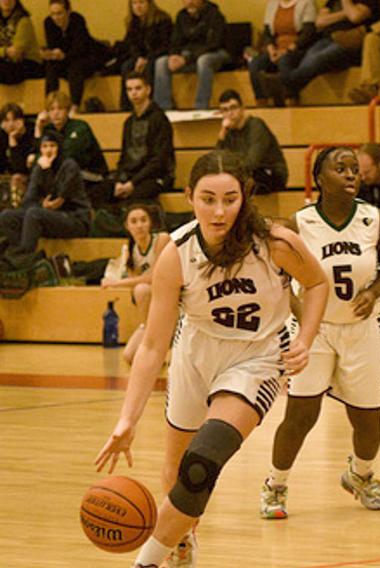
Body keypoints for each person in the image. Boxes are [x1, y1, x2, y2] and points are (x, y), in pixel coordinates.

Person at [95, 150, 329, 568]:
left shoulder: (275, 243)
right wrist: (127, 419)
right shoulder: (177, 253)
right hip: (195, 354)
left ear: (245, 198)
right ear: (189, 197)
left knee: (203, 461)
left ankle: (145, 561)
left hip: (256, 356)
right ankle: (181, 543)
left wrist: (306, 338)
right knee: (177, 469)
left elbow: (316, 283)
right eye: (208, 198)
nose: (219, 211)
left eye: (230, 199)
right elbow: (151, 345)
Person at [260, 146, 380, 518]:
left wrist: (373, 292)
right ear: (320, 178)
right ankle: (275, 486)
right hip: (316, 332)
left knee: (369, 417)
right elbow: (278, 276)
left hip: (363, 329)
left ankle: (361, 475)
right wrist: (299, 311)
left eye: (355, 169)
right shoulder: (300, 223)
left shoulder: (375, 219)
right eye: (341, 169)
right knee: (301, 415)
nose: (351, 174)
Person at [271, 0, 380, 104]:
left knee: (318, 59)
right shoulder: (332, 2)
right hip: (325, 40)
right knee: (287, 59)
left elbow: (355, 17)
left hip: (348, 43)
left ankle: (281, 83)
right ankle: (288, 86)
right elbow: (319, 22)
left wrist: (344, 6)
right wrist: (345, 13)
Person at [101, 202, 170, 364]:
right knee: (129, 357)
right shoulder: (130, 250)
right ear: (127, 226)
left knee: (142, 289)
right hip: (152, 314)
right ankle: (150, 332)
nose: (139, 225)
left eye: (143, 220)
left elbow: (154, 278)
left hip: (173, 306)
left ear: (150, 222)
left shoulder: (162, 239)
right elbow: (135, 282)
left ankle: (162, 339)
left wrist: (115, 283)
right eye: (134, 221)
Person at [0, 130, 90, 255]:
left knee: (34, 214)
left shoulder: (70, 166)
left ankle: (25, 257)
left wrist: (47, 171)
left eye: (52, 146)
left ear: (59, 148)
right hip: (48, 217)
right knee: (7, 216)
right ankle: (18, 256)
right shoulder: (39, 167)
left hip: (75, 219)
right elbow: (28, 201)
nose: (48, 151)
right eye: (44, 146)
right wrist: (42, 205)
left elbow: (57, 199)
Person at [94, 71, 174, 208]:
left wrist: (132, 183)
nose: (133, 93)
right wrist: (119, 181)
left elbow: (159, 160)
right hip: (130, 176)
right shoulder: (129, 122)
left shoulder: (160, 119)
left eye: (138, 88)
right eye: (129, 89)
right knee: (98, 192)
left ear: (148, 90)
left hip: (155, 177)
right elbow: (124, 157)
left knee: (132, 201)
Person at [154, 0, 230, 110]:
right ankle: (163, 108)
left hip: (216, 53)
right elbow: (175, 41)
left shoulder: (215, 15)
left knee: (204, 60)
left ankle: (201, 106)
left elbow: (213, 44)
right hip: (189, 56)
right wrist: (173, 55)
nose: (189, 2)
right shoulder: (181, 16)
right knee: (161, 62)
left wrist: (187, 58)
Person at [215, 90, 288, 195]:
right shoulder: (228, 132)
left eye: (233, 108)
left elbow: (253, 162)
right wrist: (221, 138)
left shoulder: (256, 126)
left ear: (242, 108)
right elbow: (217, 162)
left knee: (248, 178)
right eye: (225, 110)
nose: (230, 113)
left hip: (271, 174)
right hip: (246, 175)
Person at [42, 0, 110, 111]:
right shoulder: (48, 23)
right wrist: (50, 54)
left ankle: (75, 105)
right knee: (50, 66)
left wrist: (64, 55)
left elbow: (81, 48)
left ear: (68, 12)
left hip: (86, 56)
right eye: (53, 14)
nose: (56, 17)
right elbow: (52, 45)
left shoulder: (77, 20)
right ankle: (49, 104)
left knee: (75, 67)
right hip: (65, 59)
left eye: (59, 13)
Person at [247, 0, 316, 107]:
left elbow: (308, 33)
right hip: (276, 48)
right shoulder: (272, 4)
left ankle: (291, 98)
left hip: (298, 49)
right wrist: (271, 49)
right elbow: (267, 33)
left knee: (284, 61)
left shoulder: (306, 3)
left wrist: (287, 50)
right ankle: (261, 100)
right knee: (254, 64)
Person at [34, 91, 108, 186]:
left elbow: (69, 155)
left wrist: (42, 158)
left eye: (60, 108)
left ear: (68, 110)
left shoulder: (80, 127)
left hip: (90, 174)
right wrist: (38, 128)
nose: (56, 113)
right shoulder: (48, 130)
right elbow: (37, 159)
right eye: (51, 109)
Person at [118, 0, 172, 111]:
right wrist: (138, 58)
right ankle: (126, 107)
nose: (138, 7)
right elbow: (131, 45)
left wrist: (147, 59)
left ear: (149, 4)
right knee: (126, 66)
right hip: (141, 57)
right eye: (134, 3)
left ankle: (151, 104)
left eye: (141, 2)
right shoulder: (133, 23)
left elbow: (165, 45)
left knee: (151, 66)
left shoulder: (162, 20)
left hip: (159, 55)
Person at [0, 102, 35, 207]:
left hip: (29, 177)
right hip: (7, 176)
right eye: (6, 120)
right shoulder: (1, 135)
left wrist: (13, 142)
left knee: (17, 178)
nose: (11, 124)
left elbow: (19, 168)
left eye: (15, 120)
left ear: (22, 120)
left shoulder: (31, 133)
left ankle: (16, 215)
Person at [0, 0, 42, 85]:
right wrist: (5, 51)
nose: (7, 1)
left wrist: (3, 52)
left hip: (28, 63)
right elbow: (9, 52)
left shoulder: (24, 21)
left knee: (7, 71)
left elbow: (16, 53)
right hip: (7, 61)